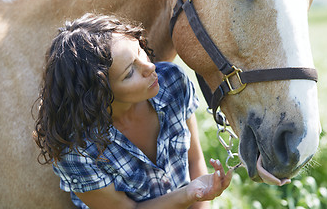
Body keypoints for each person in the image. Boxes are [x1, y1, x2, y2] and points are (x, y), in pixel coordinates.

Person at [33, 13, 232, 209]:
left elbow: (193, 159)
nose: (150, 66)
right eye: (129, 73)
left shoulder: (172, 83)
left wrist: (199, 198)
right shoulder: (76, 149)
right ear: (100, 95)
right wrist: (188, 195)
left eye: (139, 51)